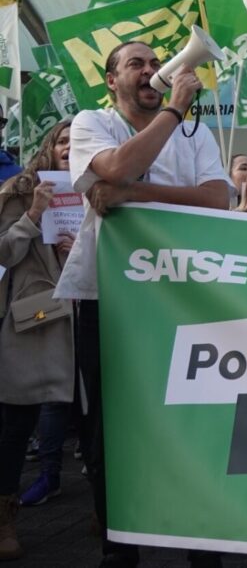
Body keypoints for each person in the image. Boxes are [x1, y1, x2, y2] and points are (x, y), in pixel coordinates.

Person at [54, 41, 229, 568]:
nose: (152, 71)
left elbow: (218, 198)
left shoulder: (194, 134)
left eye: (157, 64)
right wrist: (174, 108)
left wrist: (134, 196)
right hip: (107, 297)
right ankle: (119, 547)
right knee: (108, 432)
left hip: (182, 299)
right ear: (111, 82)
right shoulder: (92, 122)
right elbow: (116, 165)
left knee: (194, 424)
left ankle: (204, 546)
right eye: (138, 65)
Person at [0, 122, 75, 561]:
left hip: (82, 316)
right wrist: (33, 216)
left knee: (93, 423)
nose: (70, 149)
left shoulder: (99, 190)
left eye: (77, 142)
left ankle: (105, 516)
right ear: (50, 146)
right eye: (63, 141)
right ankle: (6, 516)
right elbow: (4, 252)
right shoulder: (20, 188)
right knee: (16, 426)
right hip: (35, 323)